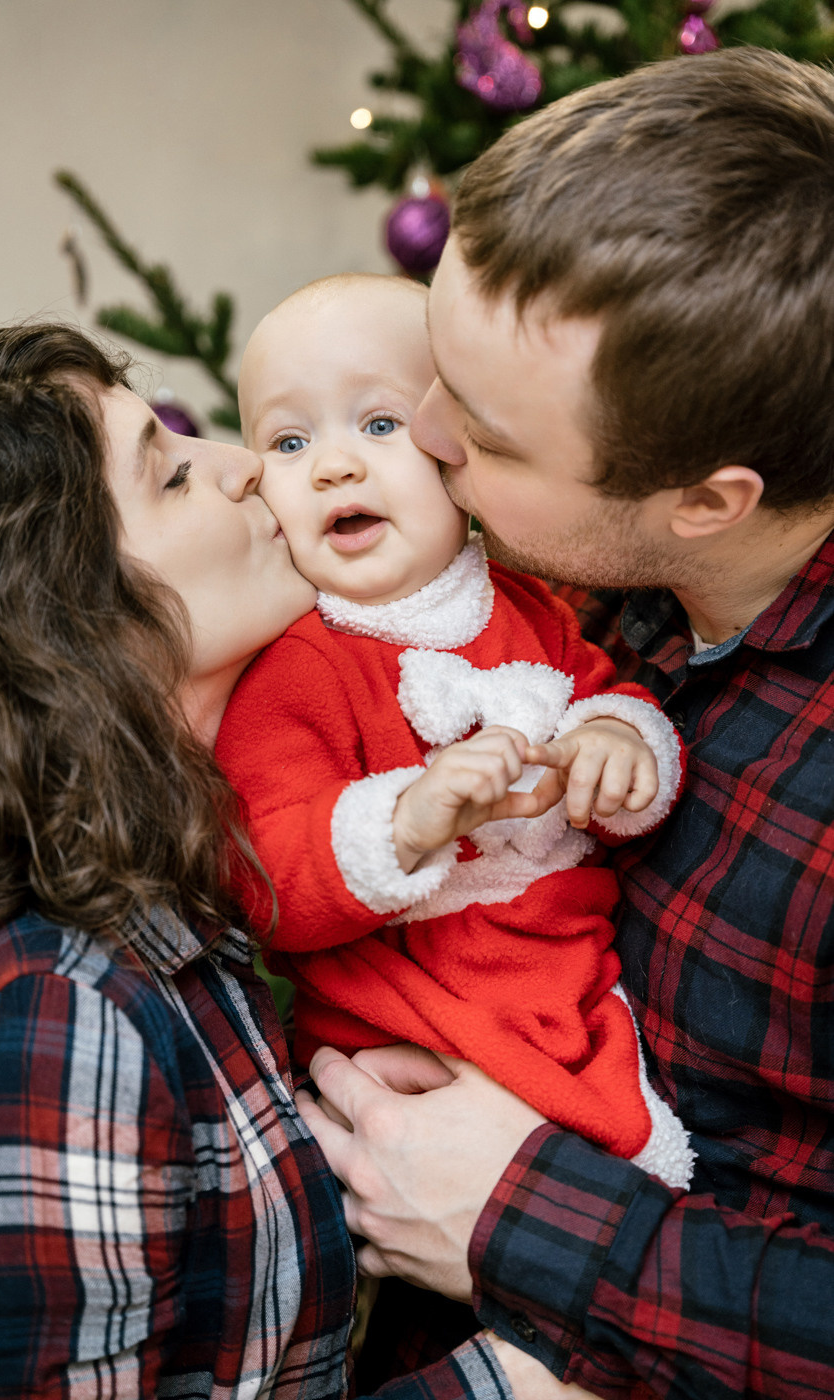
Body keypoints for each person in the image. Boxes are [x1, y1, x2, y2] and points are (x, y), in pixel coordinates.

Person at [0, 321, 574, 1399]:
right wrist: (510, 1384)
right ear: (65, 625)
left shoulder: (184, 907)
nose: (244, 464)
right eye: (169, 473)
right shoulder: (56, 1016)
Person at [298, 46, 834, 1400]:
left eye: (484, 430)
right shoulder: (590, 597)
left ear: (705, 500)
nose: (421, 435)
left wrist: (507, 1208)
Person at [216, 273, 691, 1188]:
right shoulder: (294, 664)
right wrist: (405, 819)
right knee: (591, 1153)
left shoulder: (532, 604)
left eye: (381, 424)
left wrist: (622, 745)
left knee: (637, 1150)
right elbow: (260, 874)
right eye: (288, 439)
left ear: (457, 450)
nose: (334, 466)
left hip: (560, 957)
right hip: (413, 1004)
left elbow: (602, 696)